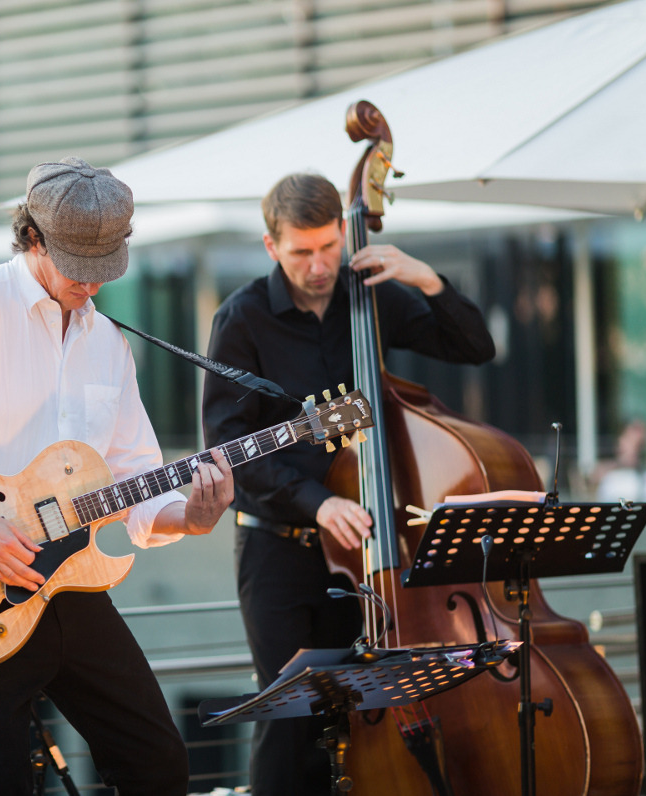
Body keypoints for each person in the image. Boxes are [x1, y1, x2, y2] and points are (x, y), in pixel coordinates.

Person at [0, 157, 234, 795]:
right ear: (33, 238)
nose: (92, 285)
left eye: (104, 269)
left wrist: (190, 518)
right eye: (79, 267)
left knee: (158, 766)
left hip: (72, 585)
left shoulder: (108, 342)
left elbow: (137, 482)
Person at [201, 173, 496, 795]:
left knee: (352, 712)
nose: (318, 265)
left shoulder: (372, 297)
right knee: (289, 715)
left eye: (328, 247)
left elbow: (475, 346)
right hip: (277, 550)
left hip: (367, 550)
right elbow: (232, 452)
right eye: (302, 251)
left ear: (343, 234)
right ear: (270, 246)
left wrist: (428, 281)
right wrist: (320, 502)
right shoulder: (242, 319)